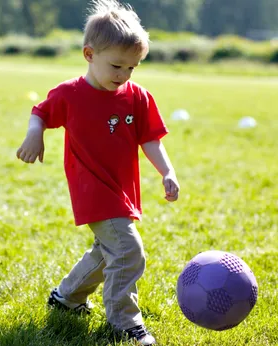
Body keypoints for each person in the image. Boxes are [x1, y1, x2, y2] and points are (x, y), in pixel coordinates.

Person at [16, 0, 180, 344]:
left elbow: (150, 139)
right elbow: (40, 113)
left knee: (107, 252)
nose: (124, 75)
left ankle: (67, 297)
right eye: (117, 66)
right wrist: (35, 134)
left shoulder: (137, 97)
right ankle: (124, 322)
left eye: (133, 68)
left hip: (122, 190)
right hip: (92, 189)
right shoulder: (70, 94)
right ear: (89, 54)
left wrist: (167, 171)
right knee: (128, 251)